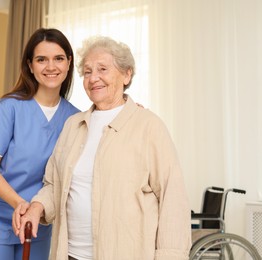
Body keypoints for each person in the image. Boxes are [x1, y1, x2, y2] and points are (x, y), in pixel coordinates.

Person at [13, 35, 191, 260]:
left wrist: (170, 256)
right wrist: (37, 207)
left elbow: (172, 199)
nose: (93, 78)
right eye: (87, 72)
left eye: (102, 69)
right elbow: (53, 183)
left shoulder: (148, 126)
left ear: (127, 74)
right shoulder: (73, 125)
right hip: (70, 254)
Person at [0, 28, 80, 260]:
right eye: (41, 59)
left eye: (58, 58)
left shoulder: (75, 119)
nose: (51, 67)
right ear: (30, 65)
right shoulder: (8, 108)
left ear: (69, 63)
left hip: (37, 219)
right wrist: (19, 203)